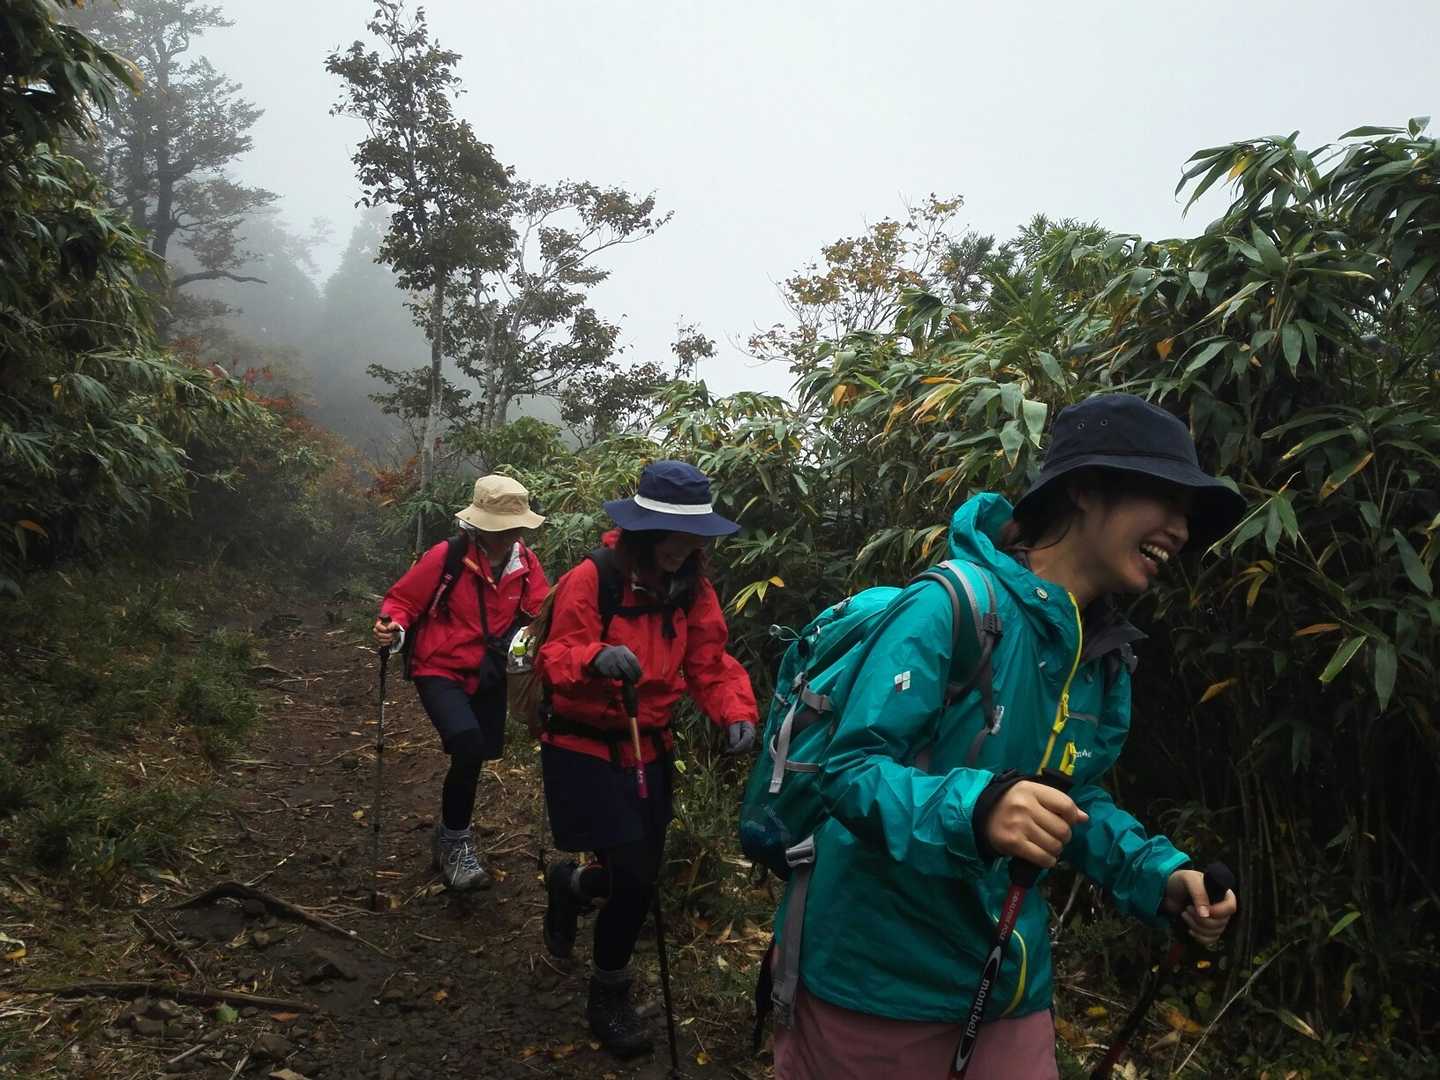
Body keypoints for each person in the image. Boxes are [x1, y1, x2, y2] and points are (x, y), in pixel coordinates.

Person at [772, 394, 1244, 1079]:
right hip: (878, 979)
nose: (1180, 528)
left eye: (1189, 513)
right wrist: (980, 809)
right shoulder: (949, 606)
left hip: (1007, 983)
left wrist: (1161, 877)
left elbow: (1072, 801)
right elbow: (849, 771)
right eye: (1166, 498)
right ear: (1085, 488)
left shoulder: (1102, 655)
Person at [537, 460, 759, 1058]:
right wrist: (594, 657)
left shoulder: (693, 590)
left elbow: (710, 663)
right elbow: (553, 655)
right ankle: (608, 995)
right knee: (635, 880)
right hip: (583, 746)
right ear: (642, 528)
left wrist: (736, 712)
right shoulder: (594, 578)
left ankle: (572, 884)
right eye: (671, 534)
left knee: (634, 875)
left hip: (650, 746)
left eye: (693, 537)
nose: (682, 548)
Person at [373, 474, 548, 891]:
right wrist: (392, 626)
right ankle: (455, 842)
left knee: (476, 755)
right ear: (480, 524)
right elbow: (403, 600)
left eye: (515, 527)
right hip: (439, 666)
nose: (510, 534)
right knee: (467, 744)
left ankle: (449, 834)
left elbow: (541, 611)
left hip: (490, 671)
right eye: (502, 526)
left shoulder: (526, 564)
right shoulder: (447, 556)